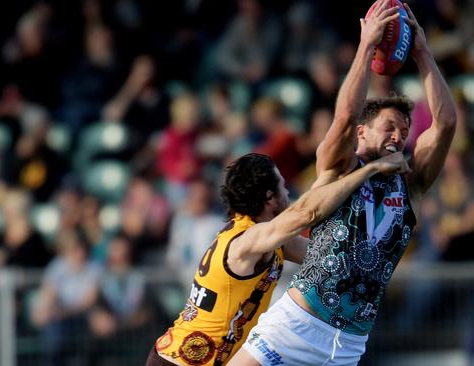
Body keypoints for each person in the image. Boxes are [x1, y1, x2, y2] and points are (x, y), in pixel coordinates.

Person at [231, 1, 457, 365]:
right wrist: (367, 46)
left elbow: (445, 125)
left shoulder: (410, 185)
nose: (398, 137)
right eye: (389, 127)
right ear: (363, 133)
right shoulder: (338, 166)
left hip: (349, 343)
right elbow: (346, 115)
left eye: (404, 131)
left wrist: (423, 52)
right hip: (296, 324)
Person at [146, 151, 409, 365]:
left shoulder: (262, 238)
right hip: (180, 362)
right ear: (270, 197)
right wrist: (369, 170)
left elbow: (326, 255)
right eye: (283, 185)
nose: (287, 192)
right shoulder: (248, 241)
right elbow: (306, 213)